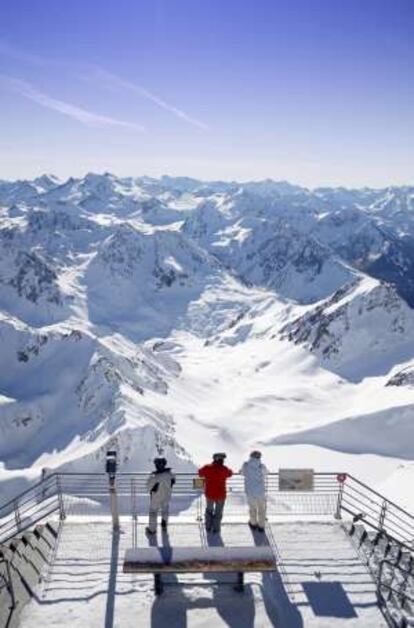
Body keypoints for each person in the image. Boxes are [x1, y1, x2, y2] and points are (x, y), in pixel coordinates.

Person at [198, 453, 233, 533]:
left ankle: (208, 527)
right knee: (218, 512)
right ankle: (216, 529)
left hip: (210, 494)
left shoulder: (207, 468)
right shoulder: (224, 469)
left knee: (209, 510)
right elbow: (230, 473)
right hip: (221, 495)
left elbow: (200, 473)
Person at [146, 457, 176, 536]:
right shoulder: (170, 474)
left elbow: (148, 487)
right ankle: (164, 525)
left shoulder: (154, 477)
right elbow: (173, 480)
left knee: (153, 512)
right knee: (165, 510)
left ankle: (152, 530)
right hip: (166, 496)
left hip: (156, 497)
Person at [240, 450, 268, 532]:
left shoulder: (246, 465)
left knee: (252, 508)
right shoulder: (262, 466)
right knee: (262, 509)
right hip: (260, 491)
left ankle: (253, 523)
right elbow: (266, 473)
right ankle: (261, 526)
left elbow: (242, 473)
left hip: (250, 491)